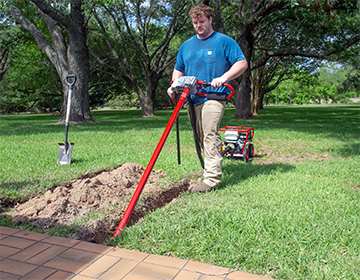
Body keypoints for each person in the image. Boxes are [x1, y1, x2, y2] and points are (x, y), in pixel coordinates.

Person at [167, 4, 248, 193]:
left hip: (214, 96)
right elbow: (179, 68)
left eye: (202, 21)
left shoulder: (224, 42)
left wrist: (223, 78)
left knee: (210, 132)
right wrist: (173, 85)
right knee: (201, 135)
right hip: (192, 98)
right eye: (195, 22)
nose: (198, 25)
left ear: (210, 20)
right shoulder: (186, 46)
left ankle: (211, 179)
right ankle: (210, 167)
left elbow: (242, 63)